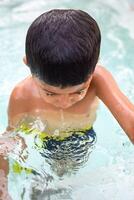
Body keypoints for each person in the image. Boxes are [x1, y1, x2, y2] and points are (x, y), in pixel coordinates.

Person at [0, 9, 134, 199]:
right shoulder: (21, 95)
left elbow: (130, 121)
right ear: (27, 64)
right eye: (50, 92)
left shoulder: (99, 80)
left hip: (82, 140)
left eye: (78, 91)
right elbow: (12, 138)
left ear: (94, 67)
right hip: (45, 142)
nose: (64, 102)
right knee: (39, 188)